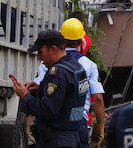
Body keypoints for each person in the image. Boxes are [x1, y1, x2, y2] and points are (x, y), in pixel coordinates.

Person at [28, 19, 105, 147]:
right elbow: (97, 98)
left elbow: (40, 92)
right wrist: (100, 126)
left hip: (54, 128)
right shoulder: (88, 65)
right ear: (81, 41)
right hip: (79, 125)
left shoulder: (48, 62)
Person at [10, 30, 88, 148]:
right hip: (72, 136)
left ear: (53, 49)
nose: (39, 58)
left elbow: (47, 110)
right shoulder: (76, 67)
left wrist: (25, 95)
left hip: (57, 140)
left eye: (41, 52)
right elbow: (66, 97)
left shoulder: (57, 73)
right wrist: (39, 89)